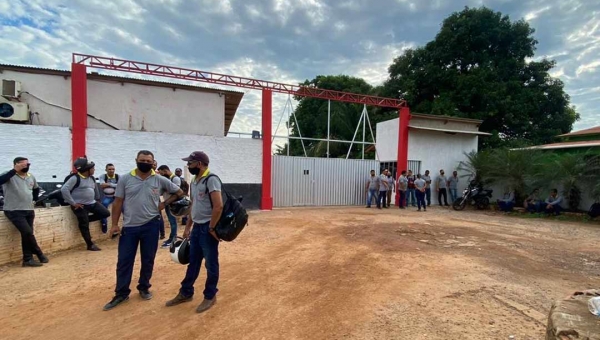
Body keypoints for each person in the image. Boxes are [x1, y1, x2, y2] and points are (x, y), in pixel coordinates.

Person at [103, 150, 183, 311]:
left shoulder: (159, 179)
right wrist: (114, 225)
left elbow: (180, 192)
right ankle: (121, 293)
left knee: (148, 259)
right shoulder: (125, 179)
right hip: (130, 227)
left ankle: (144, 287)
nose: (145, 163)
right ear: (136, 160)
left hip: (151, 225)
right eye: (142, 160)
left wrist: (164, 203)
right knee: (124, 261)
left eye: (148, 161)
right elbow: (118, 202)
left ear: (153, 162)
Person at [166, 151, 223, 314]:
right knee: (193, 262)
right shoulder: (194, 181)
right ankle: (186, 292)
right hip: (197, 228)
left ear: (199, 163)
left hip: (208, 229)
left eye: (190, 163)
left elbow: (218, 206)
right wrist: (188, 227)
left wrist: (212, 227)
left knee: (211, 263)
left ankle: (210, 295)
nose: (188, 166)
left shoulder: (211, 179)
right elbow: (193, 206)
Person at [0, 157, 48, 267]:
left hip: (29, 209)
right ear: (16, 164)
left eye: (28, 164)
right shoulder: (9, 175)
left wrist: (35, 199)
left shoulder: (30, 176)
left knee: (26, 234)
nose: (26, 166)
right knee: (27, 232)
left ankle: (28, 259)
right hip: (14, 210)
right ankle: (38, 252)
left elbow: (36, 188)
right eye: (23, 165)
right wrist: (14, 171)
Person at [61, 157, 110, 251]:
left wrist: (97, 199)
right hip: (80, 206)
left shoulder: (91, 178)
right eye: (92, 168)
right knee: (84, 225)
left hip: (92, 203)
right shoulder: (75, 178)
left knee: (106, 213)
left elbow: (95, 189)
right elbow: (64, 189)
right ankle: (90, 244)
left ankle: (85, 220)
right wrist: (73, 203)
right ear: (86, 170)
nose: (94, 170)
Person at [157, 165, 182, 248]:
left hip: (173, 203)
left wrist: (166, 188)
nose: (161, 175)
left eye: (161, 173)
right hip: (168, 203)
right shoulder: (167, 179)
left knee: (173, 222)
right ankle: (171, 238)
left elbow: (176, 191)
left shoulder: (175, 178)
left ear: (165, 171)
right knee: (171, 222)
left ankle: (173, 239)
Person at [98, 163, 119, 233]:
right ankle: (104, 223)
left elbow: (121, 186)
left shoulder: (118, 176)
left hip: (117, 197)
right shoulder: (102, 176)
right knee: (104, 205)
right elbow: (102, 185)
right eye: (109, 169)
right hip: (107, 196)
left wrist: (109, 184)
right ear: (106, 170)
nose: (111, 170)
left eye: (113, 169)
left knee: (125, 208)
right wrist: (115, 185)